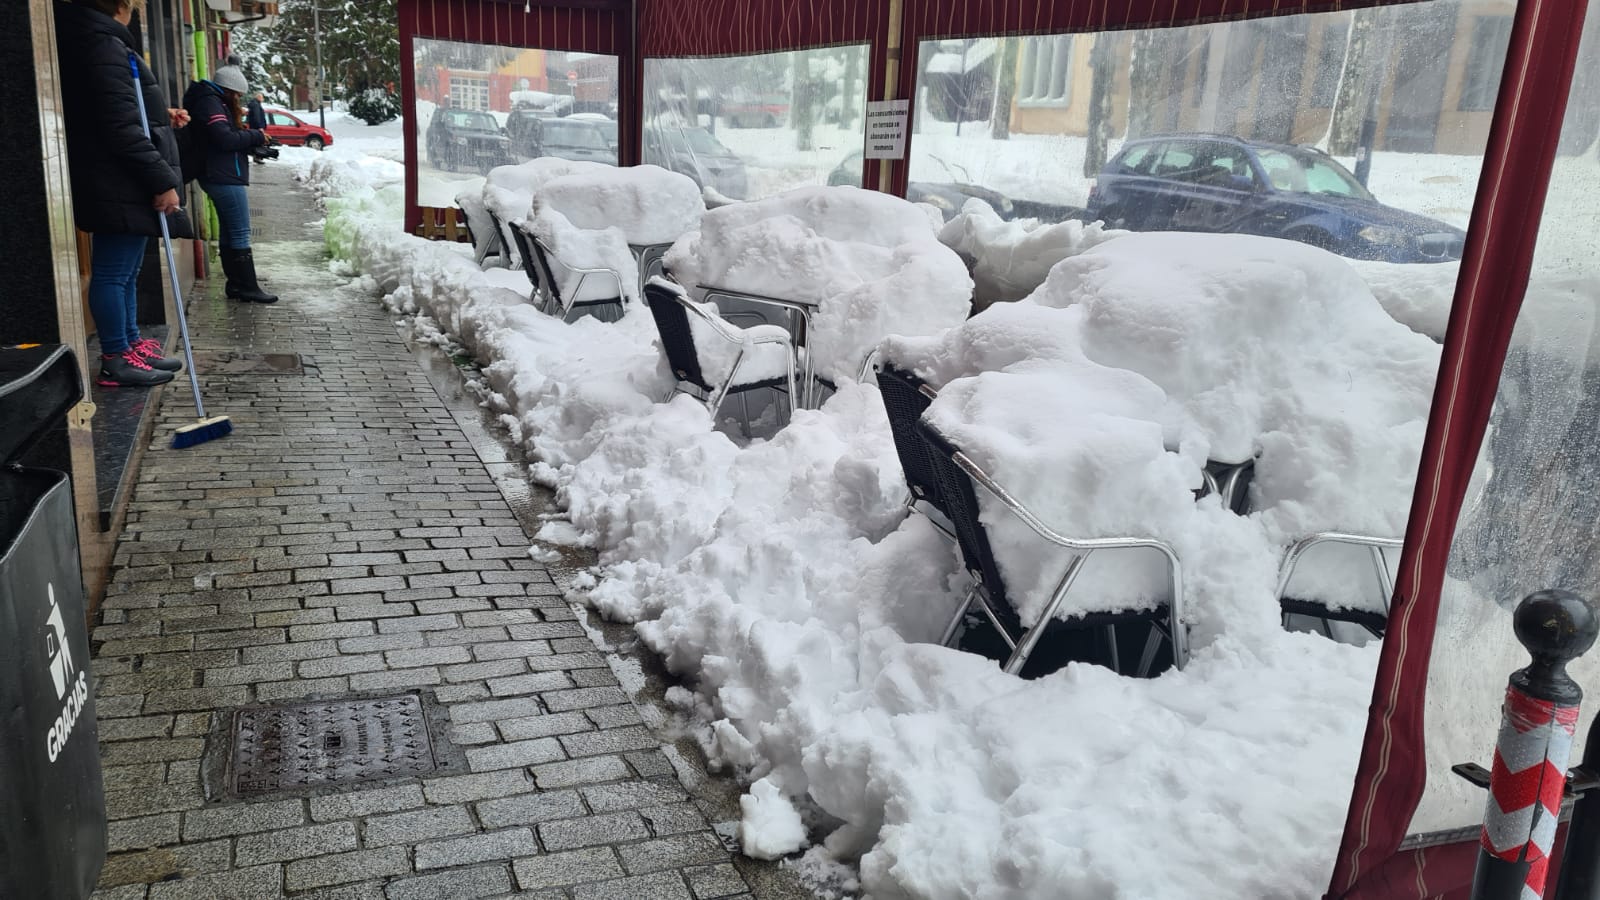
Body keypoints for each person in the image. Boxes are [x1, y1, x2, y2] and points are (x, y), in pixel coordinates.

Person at [55, 0, 188, 387]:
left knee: (127, 271)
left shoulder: (103, 40)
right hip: (117, 178)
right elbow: (119, 126)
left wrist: (161, 112)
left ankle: (128, 344)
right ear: (123, 5)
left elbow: (120, 108)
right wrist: (161, 180)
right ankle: (115, 356)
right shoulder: (102, 43)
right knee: (113, 273)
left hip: (119, 176)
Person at [183, 65, 278, 303]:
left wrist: (250, 141)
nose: (237, 99)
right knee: (240, 231)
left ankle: (236, 284)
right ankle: (247, 286)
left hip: (219, 173)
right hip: (222, 175)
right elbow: (223, 138)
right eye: (236, 94)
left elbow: (222, 137)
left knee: (229, 230)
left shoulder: (212, 101)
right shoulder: (211, 103)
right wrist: (255, 135)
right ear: (228, 89)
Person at [245, 91, 268, 165]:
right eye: (262, 97)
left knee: (255, 142)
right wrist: (260, 126)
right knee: (258, 142)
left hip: (254, 127)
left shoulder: (255, 104)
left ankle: (256, 157)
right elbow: (257, 116)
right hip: (257, 127)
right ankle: (257, 157)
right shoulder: (256, 105)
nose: (263, 99)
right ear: (258, 97)